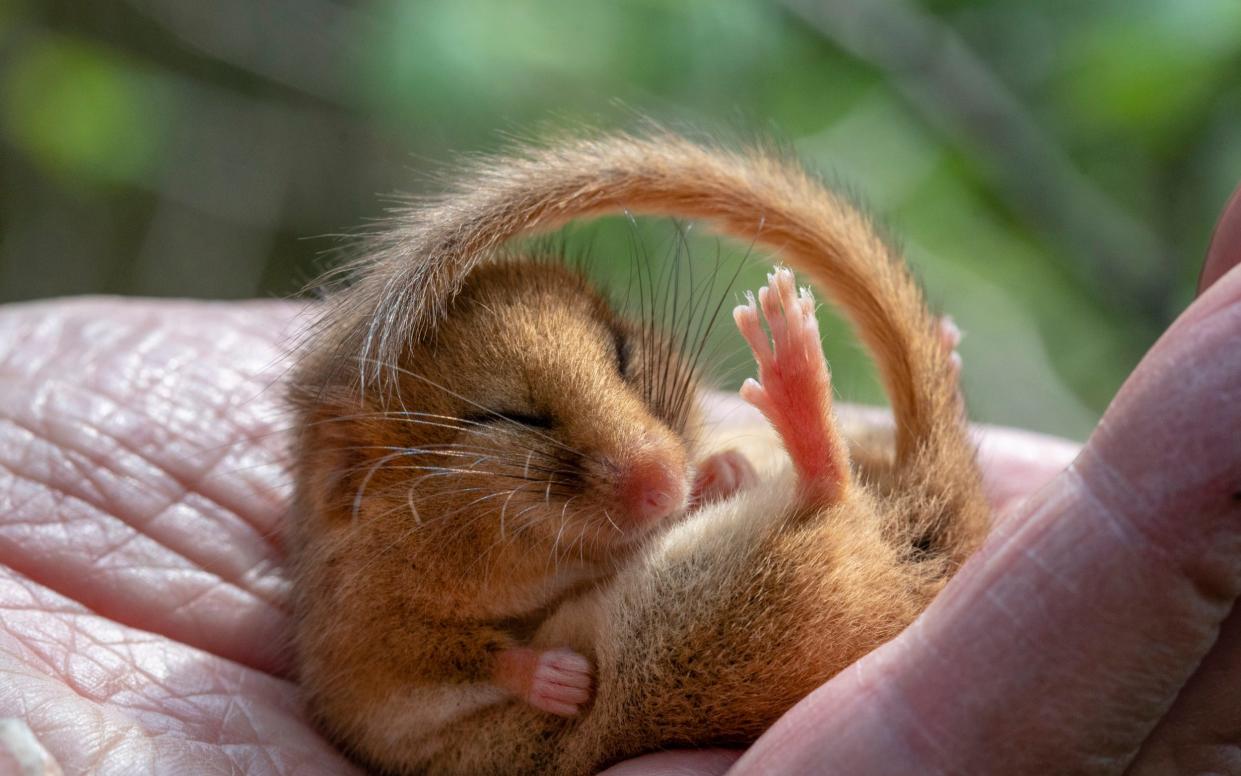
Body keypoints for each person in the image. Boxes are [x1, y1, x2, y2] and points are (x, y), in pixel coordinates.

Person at [0, 190, 1237, 775]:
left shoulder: (493, 503)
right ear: (361, 484)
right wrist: (499, 668)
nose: (634, 448)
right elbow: (382, 696)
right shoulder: (382, 573)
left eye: (617, 364)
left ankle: (855, 461)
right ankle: (827, 468)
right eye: (513, 418)